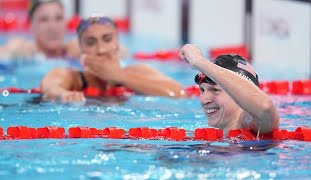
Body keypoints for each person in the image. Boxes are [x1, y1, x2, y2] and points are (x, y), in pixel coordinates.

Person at [40, 16, 186, 102]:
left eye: (107, 39)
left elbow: (178, 93)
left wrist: (120, 76)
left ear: (117, 43)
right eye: (90, 42)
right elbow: (51, 87)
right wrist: (64, 94)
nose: (101, 49)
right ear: (81, 48)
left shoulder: (138, 71)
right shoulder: (72, 77)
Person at [179, 44, 279, 134]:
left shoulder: (252, 126)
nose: (204, 100)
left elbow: (265, 107)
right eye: (202, 90)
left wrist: (199, 61)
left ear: (238, 94)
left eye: (215, 90)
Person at [0, 0, 80, 60]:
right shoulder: (19, 51)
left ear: (65, 22)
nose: (52, 26)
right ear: (31, 26)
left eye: (58, 18)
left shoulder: (77, 50)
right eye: (44, 19)